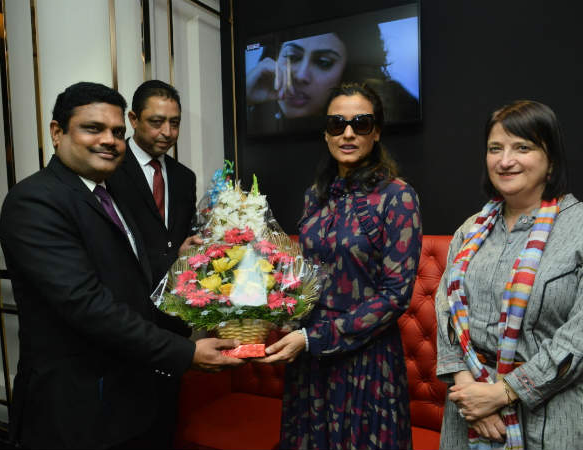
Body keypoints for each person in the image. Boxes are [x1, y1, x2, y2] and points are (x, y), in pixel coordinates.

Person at [0, 82, 243, 449]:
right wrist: (185, 352)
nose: (110, 140)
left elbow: (131, 277)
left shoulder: (108, 194)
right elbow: (86, 305)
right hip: (78, 404)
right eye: (92, 128)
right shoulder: (35, 201)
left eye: (116, 132)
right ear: (57, 132)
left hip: (131, 393)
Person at [258, 83, 422, 449]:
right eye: (337, 124)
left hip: (367, 359)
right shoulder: (314, 195)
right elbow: (306, 274)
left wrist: (313, 337)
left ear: (376, 132)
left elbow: (396, 296)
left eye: (361, 124)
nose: (348, 133)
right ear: (326, 133)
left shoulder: (398, 197)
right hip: (309, 360)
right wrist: (279, 312)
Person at [435, 100, 583, 449]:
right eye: (495, 149)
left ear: (551, 160)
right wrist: (470, 392)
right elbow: (446, 312)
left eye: (522, 147)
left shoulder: (578, 228)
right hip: (467, 410)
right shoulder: (470, 230)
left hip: (549, 414)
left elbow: (577, 339)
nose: (505, 161)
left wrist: (502, 393)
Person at [108, 80, 199, 290]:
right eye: (156, 122)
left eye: (174, 123)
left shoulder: (185, 177)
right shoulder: (110, 170)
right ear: (134, 119)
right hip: (128, 291)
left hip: (177, 293)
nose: (167, 132)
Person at [246, 27, 418, 134]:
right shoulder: (256, 118)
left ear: (347, 73)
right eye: (292, 57)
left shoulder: (396, 108)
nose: (301, 76)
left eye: (323, 62)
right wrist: (246, 99)